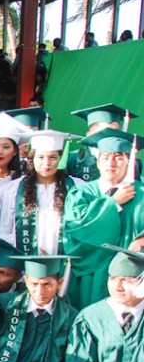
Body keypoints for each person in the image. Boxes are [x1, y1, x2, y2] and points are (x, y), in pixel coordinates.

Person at [63, 129, 144, 309]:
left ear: (129, 161)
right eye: (105, 157)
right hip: (91, 275)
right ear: (98, 162)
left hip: (132, 276)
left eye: (118, 157)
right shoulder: (82, 193)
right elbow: (75, 230)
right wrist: (112, 203)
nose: (111, 163)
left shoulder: (142, 193)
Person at [0, 130, 78, 255]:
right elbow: (5, 230)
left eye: (53, 157)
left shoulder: (76, 187)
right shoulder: (13, 189)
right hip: (22, 260)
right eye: (41, 157)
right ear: (32, 158)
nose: (46, 163)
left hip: (64, 259)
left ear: (60, 159)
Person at [67, 103, 136, 183]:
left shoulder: (129, 162)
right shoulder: (73, 160)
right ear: (89, 135)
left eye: (116, 131)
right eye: (105, 132)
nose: (112, 136)